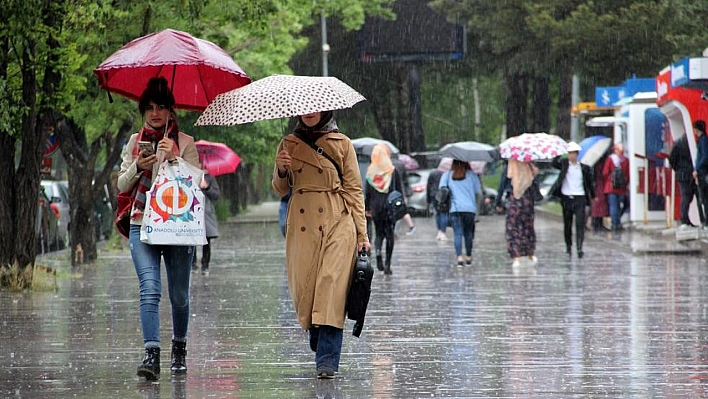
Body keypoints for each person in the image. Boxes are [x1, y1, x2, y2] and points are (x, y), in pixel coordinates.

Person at [272, 111, 370, 379]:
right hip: (302, 225)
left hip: (337, 220)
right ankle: (319, 335)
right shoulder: (287, 144)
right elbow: (281, 189)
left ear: (326, 110)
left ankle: (327, 359)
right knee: (307, 289)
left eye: (314, 108)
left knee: (331, 288)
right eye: (303, 109)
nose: (309, 113)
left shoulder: (342, 143)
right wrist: (282, 169)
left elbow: (354, 189)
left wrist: (362, 233)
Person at [116, 77, 200, 380]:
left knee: (179, 295)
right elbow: (121, 184)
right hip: (142, 223)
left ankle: (179, 348)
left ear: (171, 112)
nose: (155, 113)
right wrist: (139, 165)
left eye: (161, 107)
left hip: (178, 228)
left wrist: (175, 157)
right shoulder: (134, 142)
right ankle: (151, 354)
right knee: (149, 289)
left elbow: (197, 185)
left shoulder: (186, 143)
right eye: (150, 108)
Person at [550, 142, 594, 258]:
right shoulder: (564, 164)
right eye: (569, 153)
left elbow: (589, 183)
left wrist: (592, 196)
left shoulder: (584, 168)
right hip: (566, 198)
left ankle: (579, 247)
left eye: (573, 154)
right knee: (567, 224)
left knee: (580, 224)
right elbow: (554, 163)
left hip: (580, 198)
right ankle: (568, 246)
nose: (571, 156)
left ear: (577, 154)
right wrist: (559, 152)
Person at [365, 143, 403, 275]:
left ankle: (378, 254)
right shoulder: (392, 170)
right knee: (389, 234)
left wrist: (367, 207)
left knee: (379, 233)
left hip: (376, 208)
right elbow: (398, 190)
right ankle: (387, 264)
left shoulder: (371, 171)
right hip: (390, 207)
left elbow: (368, 192)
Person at [439, 159, 482, 266]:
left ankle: (459, 257)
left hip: (455, 209)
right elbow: (478, 192)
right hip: (470, 209)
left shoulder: (447, 175)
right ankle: (468, 255)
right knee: (468, 233)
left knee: (457, 233)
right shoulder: (472, 176)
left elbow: (442, 190)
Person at [505, 159, 539, 267]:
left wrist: (498, 201)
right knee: (527, 227)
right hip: (528, 201)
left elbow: (505, 182)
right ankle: (529, 253)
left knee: (514, 228)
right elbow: (535, 181)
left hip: (515, 201)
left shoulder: (511, 166)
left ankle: (517, 256)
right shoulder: (530, 166)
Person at [192, 162, 220, 275]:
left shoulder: (209, 178)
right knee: (191, 238)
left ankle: (205, 265)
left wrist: (207, 187)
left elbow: (216, 195)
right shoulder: (190, 176)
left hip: (205, 213)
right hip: (192, 211)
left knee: (206, 240)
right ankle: (192, 264)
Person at [668, 133, 699, 227]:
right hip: (690, 173)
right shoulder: (693, 142)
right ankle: (685, 220)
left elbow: (672, 159)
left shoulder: (678, 143)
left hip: (682, 174)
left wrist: (678, 169)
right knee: (689, 197)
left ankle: (685, 219)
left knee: (686, 197)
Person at [602, 143, 630, 231]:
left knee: (613, 206)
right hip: (621, 188)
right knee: (620, 205)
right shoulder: (626, 160)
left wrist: (609, 181)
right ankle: (617, 222)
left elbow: (605, 173)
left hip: (610, 187)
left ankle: (615, 224)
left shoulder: (610, 159)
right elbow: (628, 175)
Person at [692, 120, 708, 227]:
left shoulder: (703, 141)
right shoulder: (702, 140)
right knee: (703, 197)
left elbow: (704, 156)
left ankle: (706, 221)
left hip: (702, 172)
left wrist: (697, 168)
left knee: (705, 197)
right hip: (701, 171)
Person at [590, 151, 611, 232]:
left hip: (600, 184)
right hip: (598, 184)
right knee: (598, 203)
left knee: (600, 204)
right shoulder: (596, 164)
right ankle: (596, 223)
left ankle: (598, 223)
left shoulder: (596, 162)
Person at [426, 168, 449, 241]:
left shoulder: (433, 173)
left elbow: (429, 186)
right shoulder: (447, 173)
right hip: (443, 195)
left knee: (438, 213)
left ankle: (439, 231)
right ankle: (443, 232)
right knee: (443, 213)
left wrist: (428, 199)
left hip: (434, 195)